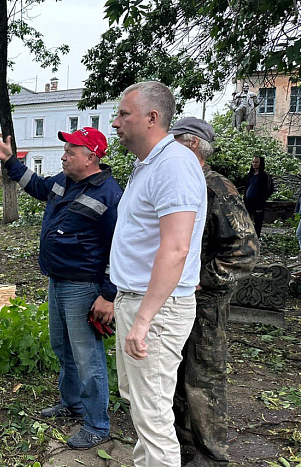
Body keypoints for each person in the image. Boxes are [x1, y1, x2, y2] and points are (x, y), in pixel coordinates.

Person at [0, 127, 122, 450]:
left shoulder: (108, 194)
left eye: (70, 151)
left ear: (91, 158)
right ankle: (71, 404)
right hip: (57, 281)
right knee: (64, 349)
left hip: (84, 287)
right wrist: (9, 161)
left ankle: (97, 425)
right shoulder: (64, 181)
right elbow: (37, 186)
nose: (63, 156)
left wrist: (108, 294)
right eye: (65, 150)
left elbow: (119, 248)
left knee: (88, 358)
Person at [109, 81, 207, 467]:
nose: (115, 122)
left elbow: (176, 247)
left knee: (153, 417)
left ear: (152, 118)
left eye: (123, 114)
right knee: (142, 408)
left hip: (156, 311)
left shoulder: (173, 165)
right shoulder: (148, 163)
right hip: (137, 302)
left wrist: (144, 319)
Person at [169, 117, 259, 467]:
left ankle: (211, 454)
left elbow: (245, 250)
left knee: (203, 376)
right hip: (177, 298)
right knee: (176, 371)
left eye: (172, 141)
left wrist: (202, 279)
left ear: (191, 145)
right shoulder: (183, 183)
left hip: (204, 301)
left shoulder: (216, 188)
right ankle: (182, 440)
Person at [243, 156, 274, 238]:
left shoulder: (264, 176)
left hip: (258, 203)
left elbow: (270, 189)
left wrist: (262, 199)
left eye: (256, 162)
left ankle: (256, 238)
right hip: (248, 202)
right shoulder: (250, 175)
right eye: (253, 162)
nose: (254, 164)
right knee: (246, 220)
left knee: (258, 222)